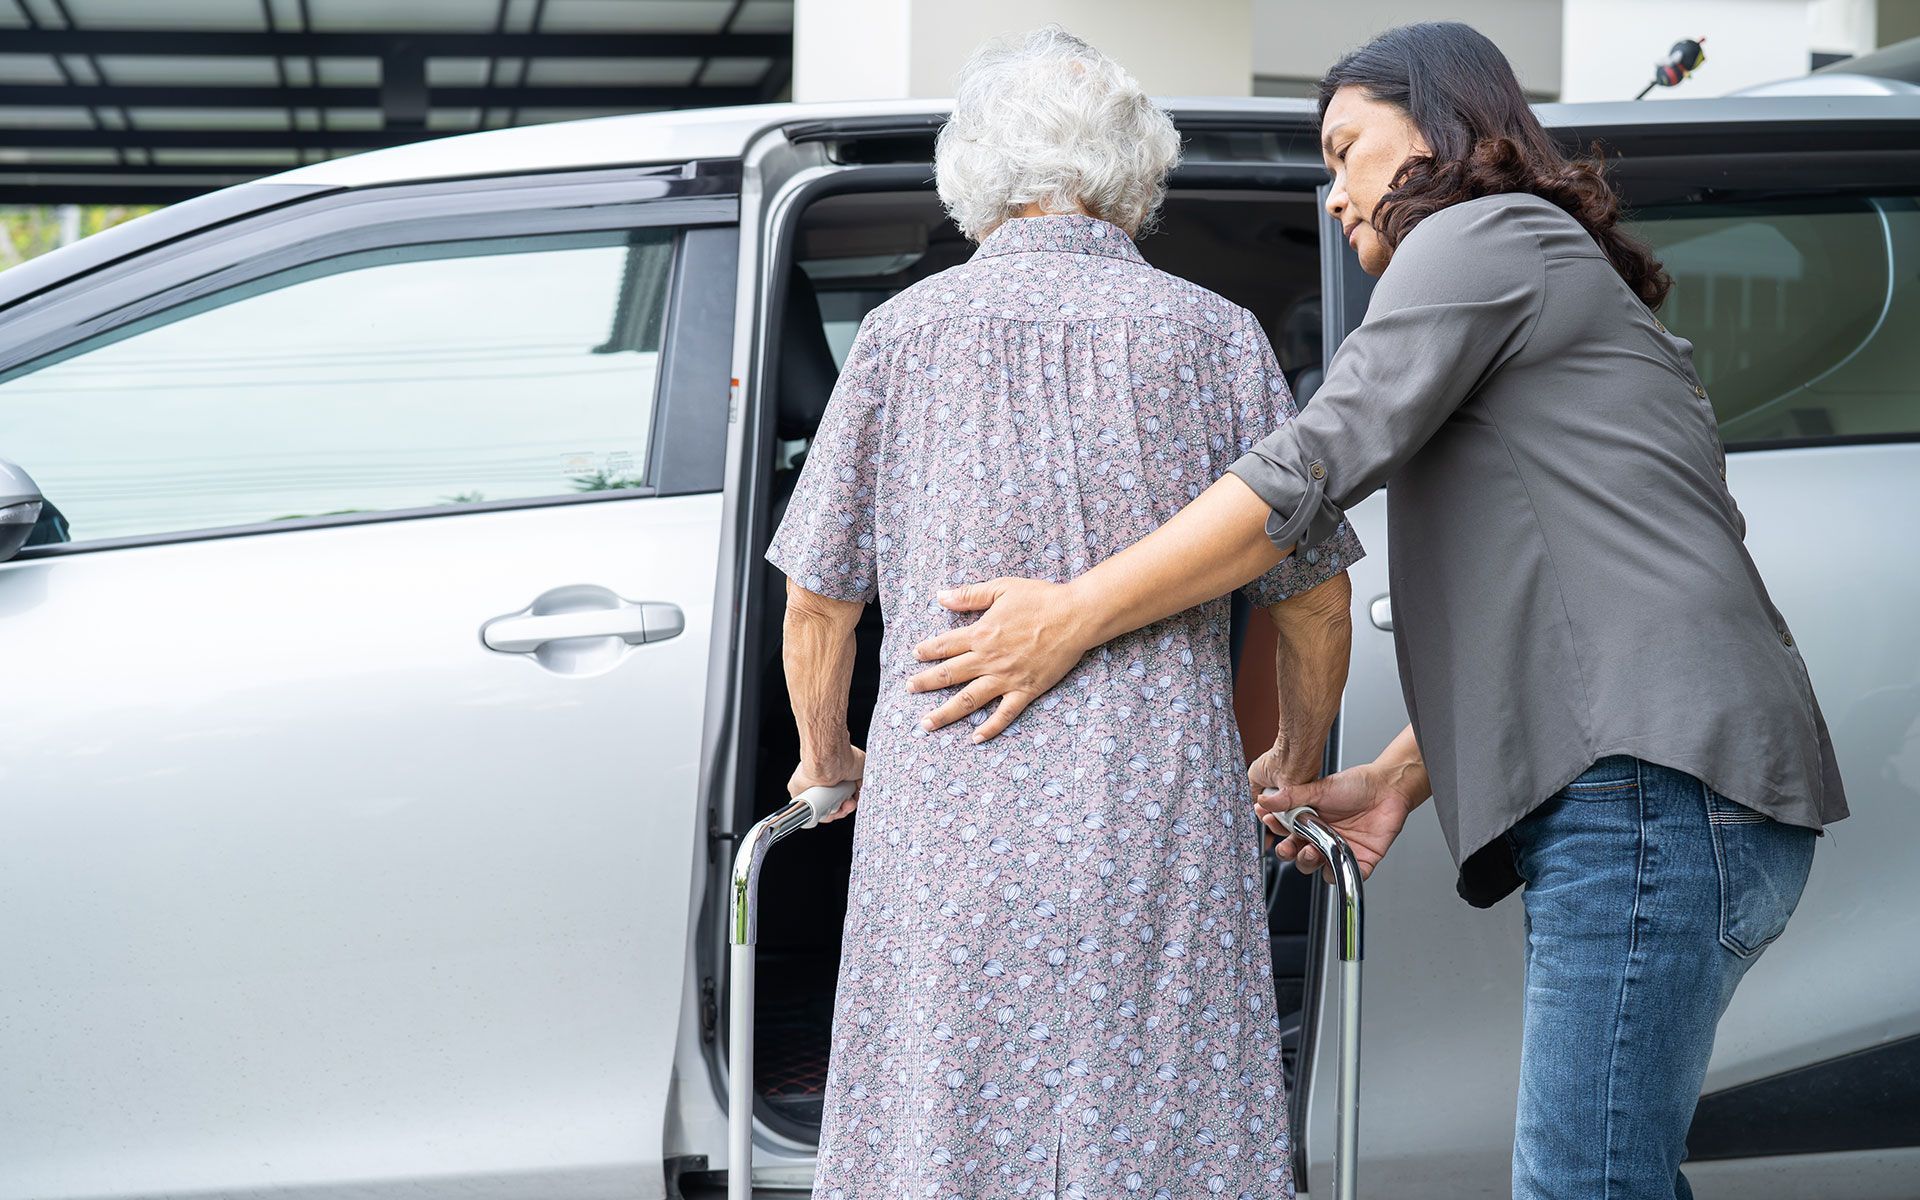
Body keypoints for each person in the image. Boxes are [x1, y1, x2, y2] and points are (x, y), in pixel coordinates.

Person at [903, 21, 1847, 1200]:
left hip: (1652, 789)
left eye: (1348, 147)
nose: (1335, 186)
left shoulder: (1481, 232)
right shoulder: (1549, 269)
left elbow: (1303, 472)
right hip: (1677, 792)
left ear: (1444, 128)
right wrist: (1398, 774)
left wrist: (1073, 614)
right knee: (1608, 1177)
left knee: (1585, 1184)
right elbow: (1573, 597)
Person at [768, 26, 1360, 1200]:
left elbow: (819, 600)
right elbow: (1314, 602)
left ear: (970, 173)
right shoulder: (1215, 334)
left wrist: (828, 756)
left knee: (946, 1099)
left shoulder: (900, 336)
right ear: (1137, 171)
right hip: (1159, 812)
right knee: (1162, 1101)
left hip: (950, 793)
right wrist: (1292, 758)